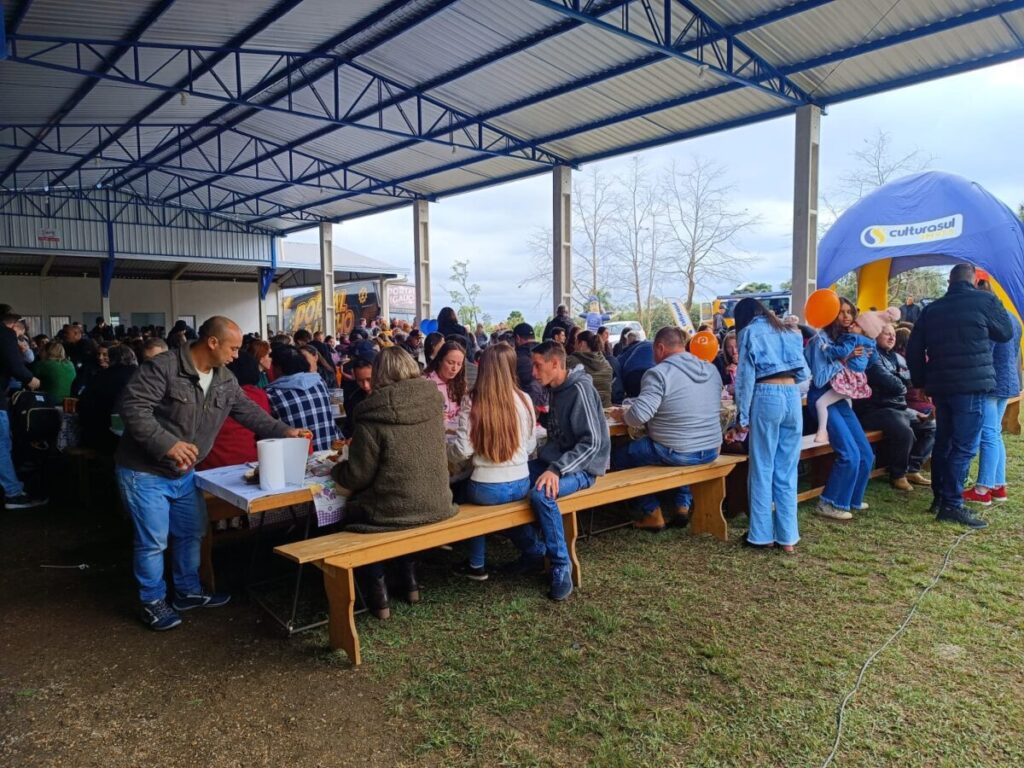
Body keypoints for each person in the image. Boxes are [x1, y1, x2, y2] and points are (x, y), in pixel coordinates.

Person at [116, 316, 307, 631]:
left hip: (185, 473)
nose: (236, 355)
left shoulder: (224, 379)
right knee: (153, 541)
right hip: (145, 471)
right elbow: (132, 407)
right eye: (232, 348)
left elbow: (248, 412)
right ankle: (152, 601)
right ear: (213, 342)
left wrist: (285, 430)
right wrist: (167, 444)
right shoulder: (163, 367)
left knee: (192, 532)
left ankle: (188, 591)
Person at [331, 346, 456, 619]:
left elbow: (358, 476)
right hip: (438, 501)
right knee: (398, 507)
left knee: (351, 513)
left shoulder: (371, 414)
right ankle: (409, 580)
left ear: (379, 374)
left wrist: (337, 470)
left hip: (393, 511)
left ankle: (379, 593)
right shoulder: (432, 402)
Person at [906, 264, 1013, 528]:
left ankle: (940, 499)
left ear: (949, 282)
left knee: (944, 442)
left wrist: (920, 382)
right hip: (972, 385)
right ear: (973, 280)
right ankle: (952, 505)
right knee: (964, 446)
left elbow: (913, 350)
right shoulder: (985, 301)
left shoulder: (932, 309)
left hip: (941, 387)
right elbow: (1005, 333)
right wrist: (993, 301)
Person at [504, 341, 610, 602]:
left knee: (542, 495)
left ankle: (561, 565)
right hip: (554, 461)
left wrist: (557, 469)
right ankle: (534, 550)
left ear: (555, 364)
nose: (533, 373)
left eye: (538, 366)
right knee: (506, 484)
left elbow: (593, 443)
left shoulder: (580, 389)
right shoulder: (555, 388)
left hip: (582, 468)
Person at [609, 327, 721, 532]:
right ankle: (682, 505)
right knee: (684, 442)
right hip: (712, 449)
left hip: (676, 451)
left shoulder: (659, 373)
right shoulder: (711, 369)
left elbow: (638, 417)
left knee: (618, 458)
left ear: (660, 348)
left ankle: (652, 512)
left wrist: (622, 415)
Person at [448, 343, 536, 580]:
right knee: (503, 508)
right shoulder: (525, 399)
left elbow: (462, 450)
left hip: (485, 487)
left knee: (464, 496)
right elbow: (530, 446)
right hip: (521, 482)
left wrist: (447, 454)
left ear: (483, 367)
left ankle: (476, 563)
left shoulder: (472, 399)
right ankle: (535, 549)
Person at [730, 298, 808, 550]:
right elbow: (805, 373)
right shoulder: (788, 330)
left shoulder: (749, 332)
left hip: (766, 393)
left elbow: (744, 378)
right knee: (787, 470)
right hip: (792, 396)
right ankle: (788, 538)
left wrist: (741, 417)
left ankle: (761, 535)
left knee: (762, 467)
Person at [805, 297, 875, 522]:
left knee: (866, 453)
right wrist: (843, 360)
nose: (846, 317)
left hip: (841, 397)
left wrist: (863, 359)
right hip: (823, 394)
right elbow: (820, 378)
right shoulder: (820, 340)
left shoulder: (851, 338)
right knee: (849, 454)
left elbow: (858, 369)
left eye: (849, 312)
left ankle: (851, 499)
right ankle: (829, 503)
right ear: (830, 315)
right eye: (841, 312)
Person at [961, 282, 1022, 506]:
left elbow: (984, 352)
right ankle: (998, 485)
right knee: (995, 434)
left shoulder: (987, 318)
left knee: (988, 435)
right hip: (1008, 381)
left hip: (990, 382)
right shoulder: (1012, 318)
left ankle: (982, 488)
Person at [812, 307, 900, 443]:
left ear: (865, 330)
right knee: (846, 401)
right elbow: (872, 359)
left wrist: (827, 348)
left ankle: (822, 432)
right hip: (858, 379)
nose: (852, 324)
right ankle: (846, 432)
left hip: (848, 379)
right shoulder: (870, 343)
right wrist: (864, 362)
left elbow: (841, 351)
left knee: (821, 403)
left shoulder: (853, 338)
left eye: (857, 324)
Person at [0, 306, 44, 510]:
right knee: (1, 446)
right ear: (12, 323)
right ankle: (12, 494)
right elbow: (15, 365)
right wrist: (31, 379)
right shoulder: (5, 333)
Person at [266, 345, 339, 451]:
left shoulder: (271, 394)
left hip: (298, 456)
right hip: (329, 450)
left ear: (278, 368)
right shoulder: (320, 382)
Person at [77, 344, 138, 455]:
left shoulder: (100, 376)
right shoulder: (140, 375)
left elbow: (83, 405)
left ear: (111, 358)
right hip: (134, 435)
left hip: (99, 434)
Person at [425, 341, 467, 431]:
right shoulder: (426, 383)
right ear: (440, 360)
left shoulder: (460, 384)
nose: (455, 369)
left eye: (459, 364)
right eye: (450, 362)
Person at [566, 330, 613, 408]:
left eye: (575, 343)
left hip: (584, 410)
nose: (574, 346)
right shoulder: (606, 364)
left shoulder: (571, 361)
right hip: (605, 408)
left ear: (582, 344)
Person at [513, 322, 547, 409]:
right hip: (547, 404)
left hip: (524, 407)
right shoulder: (547, 352)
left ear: (517, 338)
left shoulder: (514, 358)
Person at [342, 356, 374, 438]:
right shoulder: (353, 399)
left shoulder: (387, 396)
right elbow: (349, 427)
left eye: (369, 379)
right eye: (360, 381)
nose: (365, 386)